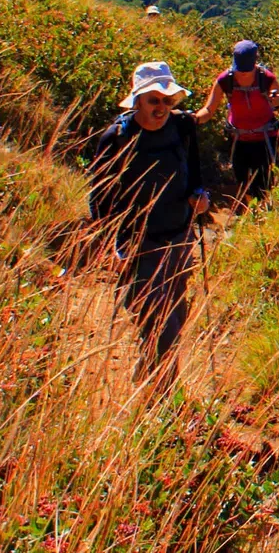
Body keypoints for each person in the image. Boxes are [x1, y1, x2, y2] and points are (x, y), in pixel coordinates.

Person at [88, 61, 210, 385]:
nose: (161, 107)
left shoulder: (183, 127)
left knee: (176, 316)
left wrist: (201, 197)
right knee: (158, 324)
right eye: (153, 100)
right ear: (138, 100)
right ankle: (162, 399)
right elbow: (98, 198)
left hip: (179, 237)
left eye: (166, 100)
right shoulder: (116, 138)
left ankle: (150, 379)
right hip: (138, 245)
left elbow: (195, 174)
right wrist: (110, 245)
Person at [195, 39, 279, 201]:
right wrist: (193, 120)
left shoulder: (266, 79)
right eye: (240, 69)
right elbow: (209, 110)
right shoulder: (225, 80)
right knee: (243, 182)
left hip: (265, 139)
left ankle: (263, 218)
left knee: (263, 183)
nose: (243, 73)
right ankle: (251, 214)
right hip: (239, 139)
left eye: (247, 69)